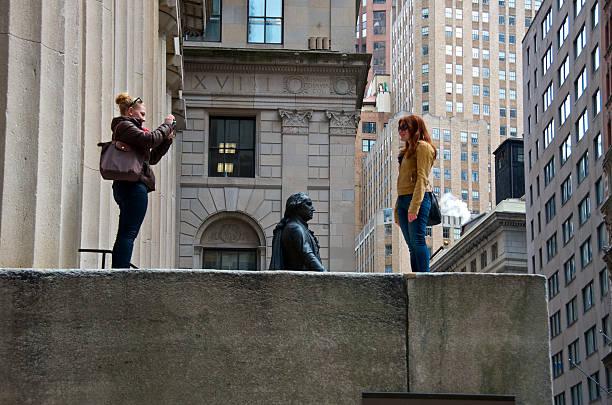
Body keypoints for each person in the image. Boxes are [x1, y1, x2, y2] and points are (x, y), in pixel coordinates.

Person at [110, 93, 175, 268]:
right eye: (142, 114)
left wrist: (166, 141)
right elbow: (151, 139)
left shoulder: (129, 130)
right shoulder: (125, 126)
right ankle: (120, 273)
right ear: (130, 111)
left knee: (126, 232)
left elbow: (151, 158)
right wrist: (167, 125)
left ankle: (118, 270)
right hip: (133, 186)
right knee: (128, 233)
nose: (144, 120)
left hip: (129, 185)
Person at [394, 115, 437, 272]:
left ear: (414, 128)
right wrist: (397, 211)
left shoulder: (423, 147)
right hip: (403, 201)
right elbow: (401, 184)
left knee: (418, 240)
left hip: (417, 199)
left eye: (404, 127)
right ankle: (416, 277)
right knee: (411, 245)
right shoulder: (405, 152)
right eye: (399, 128)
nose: (400, 131)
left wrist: (414, 207)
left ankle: (423, 277)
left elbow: (422, 179)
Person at [269, 192, 327, 272]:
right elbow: (307, 254)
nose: (313, 209)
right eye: (308, 204)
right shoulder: (295, 228)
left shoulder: (299, 227)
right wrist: (324, 272)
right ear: (297, 207)